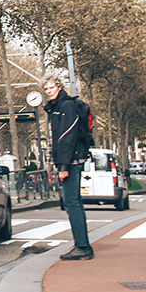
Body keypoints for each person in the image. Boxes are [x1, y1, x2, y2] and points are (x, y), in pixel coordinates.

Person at [44, 75, 95, 260]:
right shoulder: (58, 106)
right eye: (46, 89)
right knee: (73, 201)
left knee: (72, 202)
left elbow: (67, 137)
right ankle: (82, 244)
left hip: (71, 162)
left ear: (58, 87)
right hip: (70, 160)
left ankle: (82, 246)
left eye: (50, 88)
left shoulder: (66, 106)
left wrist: (63, 165)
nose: (48, 92)